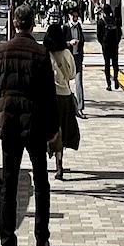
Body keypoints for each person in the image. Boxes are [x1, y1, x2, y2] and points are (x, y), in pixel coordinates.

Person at [0, 0, 60, 246]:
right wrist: (53, 128)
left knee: (9, 184)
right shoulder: (40, 54)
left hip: (9, 122)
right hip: (36, 122)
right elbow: (50, 94)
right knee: (41, 182)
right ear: (31, 23)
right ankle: (41, 239)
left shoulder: (0, 51)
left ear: (15, 23)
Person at [44, 18, 80, 177]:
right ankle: (59, 162)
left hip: (48, 96)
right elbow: (72, 74)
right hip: (64, 95)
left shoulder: (44, 54)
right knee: (62, 129)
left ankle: (50, 159)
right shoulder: (66, 53)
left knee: (50, 129)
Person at [96, 3, 121, 90]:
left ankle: (109, 84)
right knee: (115, 64)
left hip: (106, 45)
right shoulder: (115, 20)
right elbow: (119, 33)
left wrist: (102, 42)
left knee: (107, 64)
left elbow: (98, 35)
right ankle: (116, 79)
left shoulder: (101, 21)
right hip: (114, 44)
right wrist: (117, 42)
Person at [70, 12, 86, 113]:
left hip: (78, 57)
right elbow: (61, 42)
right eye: (73, 16)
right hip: (68, 57)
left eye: (77, 16)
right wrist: (69, 43)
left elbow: (83, 40)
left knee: (79, 81)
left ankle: (80, 108)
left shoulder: (79, 26)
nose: (75, 18)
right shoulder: (66, 27)